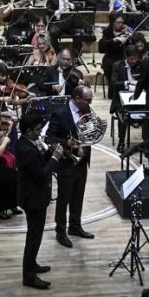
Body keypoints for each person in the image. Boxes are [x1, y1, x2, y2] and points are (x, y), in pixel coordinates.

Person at [47, 85, 97, 248]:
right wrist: (66, 143)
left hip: (82, 160)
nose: (90, 102)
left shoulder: (86, 110)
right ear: (77, 99)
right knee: (64, 199)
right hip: (67, 162)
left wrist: (98, 128)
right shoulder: (60, 114)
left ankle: (75, 227)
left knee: (78, 196)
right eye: (88, 99)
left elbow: (89, 132)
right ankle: (60, 231)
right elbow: (50, 137)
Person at [17, 110, 62, 289]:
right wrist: (54, 158)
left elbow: (38, 165)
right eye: (37, 130)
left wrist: (46, 155)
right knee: (34, 237)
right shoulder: (25, 149)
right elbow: (41, 174)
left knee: (35, 235)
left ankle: (32, 264)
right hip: (33, 199)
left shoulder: (27, 143)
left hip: (33, 195)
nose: (40, 132)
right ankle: (28, 276)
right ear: (28, 131)